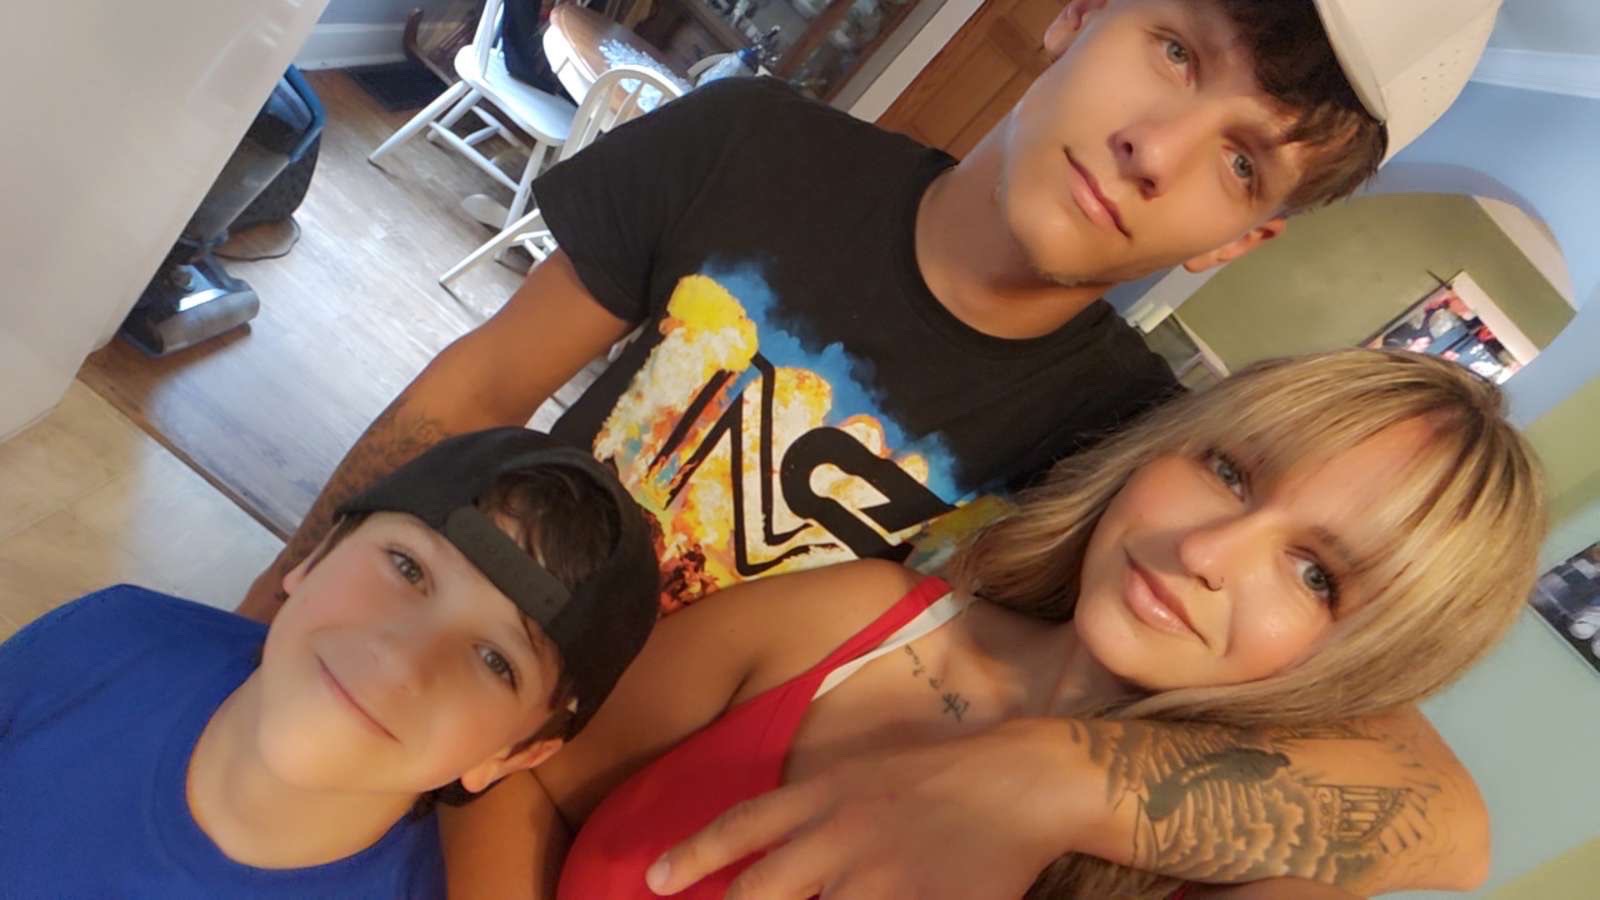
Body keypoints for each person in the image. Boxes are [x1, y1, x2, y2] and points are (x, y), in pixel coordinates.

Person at [251, 0, 1508, 892]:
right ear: (1077, 15)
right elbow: (478, 389)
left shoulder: (1141, 452)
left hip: (627, 821)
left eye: (1239, 161)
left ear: (1241, 240)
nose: (1155, 149)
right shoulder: (753, 149)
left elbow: (1438, 808)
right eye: (1174, 50)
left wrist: (1047, 781)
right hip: (412, 703)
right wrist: (271, 615)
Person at [517, 349, 1544, 899]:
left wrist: (1046, 782)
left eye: (1316, 575)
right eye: (1229, 471)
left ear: (1370, 663)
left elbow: (1454, 836)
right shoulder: (851, 617)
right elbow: (527, 782)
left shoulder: (1250, 877)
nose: (1208, 550)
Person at [0, 429, 659, 898]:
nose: (401, 660)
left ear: (513, 755)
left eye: (495, 660)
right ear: (314, 558)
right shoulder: (105, 640)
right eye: (408, 568)